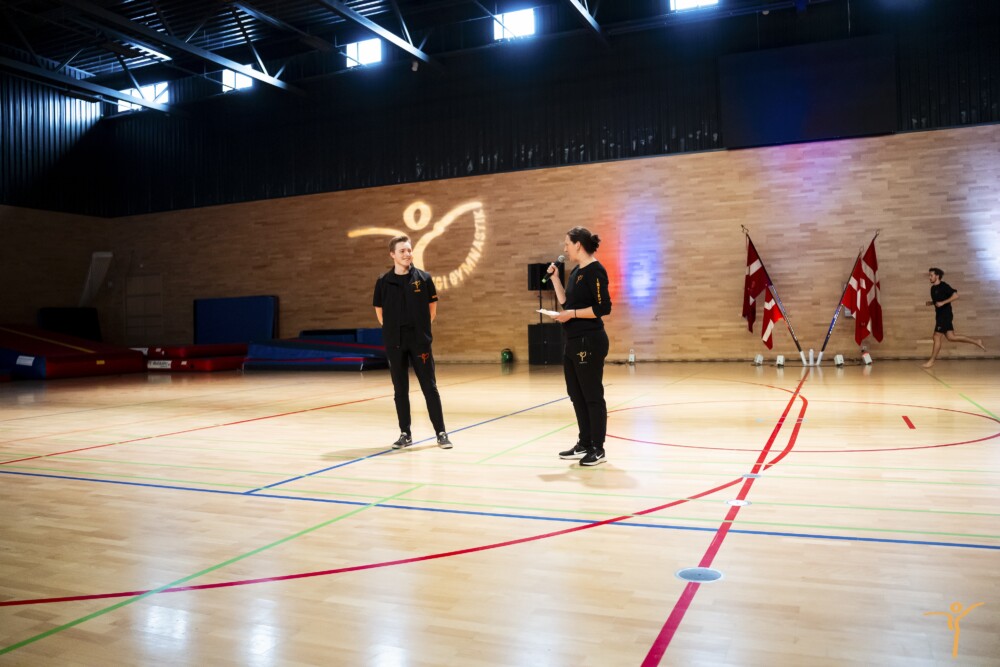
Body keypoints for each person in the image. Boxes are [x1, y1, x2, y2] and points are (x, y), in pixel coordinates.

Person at [373, 235, 453, 449]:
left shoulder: (424, 279)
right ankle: (405, 433)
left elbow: (432, 310)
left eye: (409, 250)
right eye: (402, 251)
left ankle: (441, 432)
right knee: (400, 390)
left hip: (419, 342)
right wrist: (392, 330)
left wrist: (420, 330)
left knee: (429, 387)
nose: (407, 254)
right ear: (392, 254)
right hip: (395, 343)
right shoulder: (383, 281)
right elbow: (380, 312)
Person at [545, 227, 613, 466]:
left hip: (590, 341)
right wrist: (555, 279)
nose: (564, 249)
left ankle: (598, 448)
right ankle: (584, 443)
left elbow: (603, 308)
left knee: (592, 396)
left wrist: (571, 314)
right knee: (576, 394)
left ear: (578, 245)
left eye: (567, 244)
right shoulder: (576, 271)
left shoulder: (596, 270)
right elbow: (566, 302)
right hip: (573, 340)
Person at [922, 267, 985, 368]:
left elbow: (956, 296)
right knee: (951, 337)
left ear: (937, 276)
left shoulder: (944, 286)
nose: (929, 277)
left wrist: (943, 302)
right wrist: (931, 303)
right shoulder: (933, 288)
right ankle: (977, 341)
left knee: (936, 336)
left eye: (931, 275)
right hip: (940, 315)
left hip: (945, 315)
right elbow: (938, 300)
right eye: (929, 275)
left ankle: (932, 361)